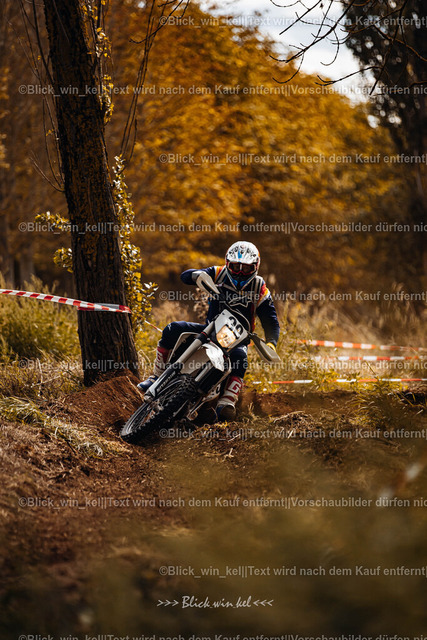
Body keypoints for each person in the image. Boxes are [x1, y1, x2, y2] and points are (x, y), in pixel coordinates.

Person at [138, 241, 280, 420]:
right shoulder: (219, 273)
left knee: (240, 357)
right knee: (173, 329)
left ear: (255, 267)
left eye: (245, 268)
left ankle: (227, 400)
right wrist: (197, 275)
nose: (239, 272)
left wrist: (271, 343)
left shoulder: (259, 288)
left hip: (237, 339)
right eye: (235, 266)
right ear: (228, 263)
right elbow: (185, 276)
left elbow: (271, 321)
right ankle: (156, 377)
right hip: (210, 328)